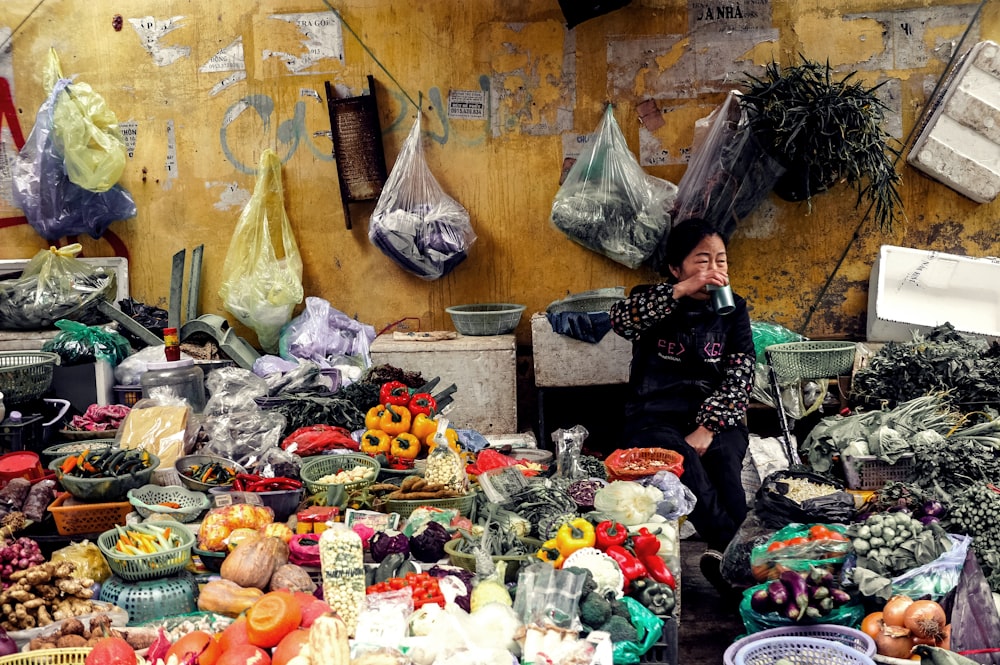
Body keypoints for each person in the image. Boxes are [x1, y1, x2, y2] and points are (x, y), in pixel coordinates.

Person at [609, 218, 755, 592]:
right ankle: (737, 554)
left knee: (724, 465)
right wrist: (681, 290)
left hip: (716, 416)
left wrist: (707, 427)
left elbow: (741, 373)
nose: (714, 270)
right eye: (702, 261)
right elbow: (621, 322)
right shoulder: (652, 301)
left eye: (721, 261)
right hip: (653, 415)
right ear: (676, 268)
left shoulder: (734, 308)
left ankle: (730, 560)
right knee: (681, 459)